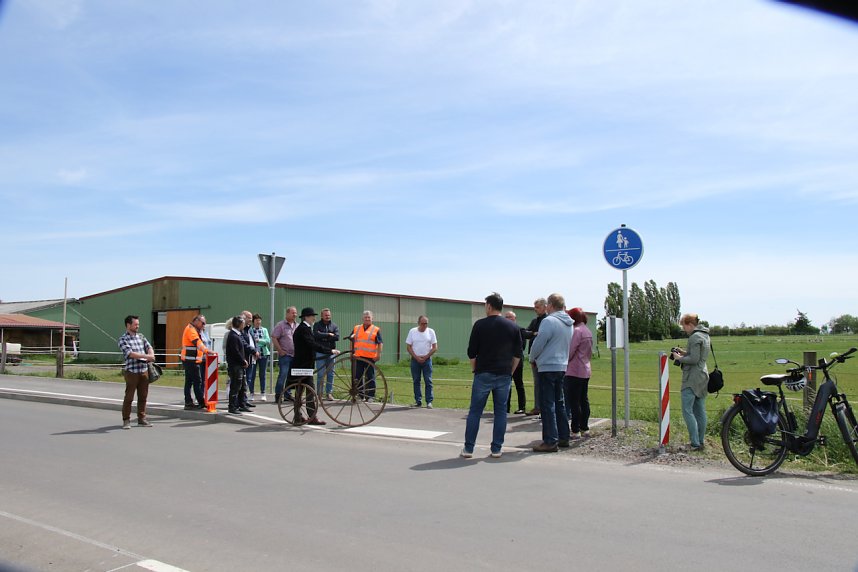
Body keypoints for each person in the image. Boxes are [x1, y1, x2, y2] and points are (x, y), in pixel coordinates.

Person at [462, 292, 523, 459]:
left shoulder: (480, 325)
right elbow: (518, 353)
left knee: (475, 411)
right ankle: (496, 448)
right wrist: (510, 371)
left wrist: (474, 369)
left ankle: (469, 448)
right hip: (503, 373)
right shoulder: (512, 326)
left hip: (483, 372)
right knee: (501, 412)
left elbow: (471, 352)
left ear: (489, 306)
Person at [529, 293, 573, 453]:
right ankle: (563, 436)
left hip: (547, 365)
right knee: (559, 402)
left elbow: (539, 343)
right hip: (561, 365)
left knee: (547, 404)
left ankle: (550, 440)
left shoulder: (549, 321)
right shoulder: (569, 323)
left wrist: (532, 357)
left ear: (551, 305)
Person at [291, 307, 340, 425]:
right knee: (310, 391)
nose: (314, 318)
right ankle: (311, 417)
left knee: (301, 390)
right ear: (307, 317)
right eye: (313, 316)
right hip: (303, 365)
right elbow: (313, 344)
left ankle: (298, 416)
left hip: (302, 364)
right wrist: (330, 351)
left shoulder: (304, 328)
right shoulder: (304, 329)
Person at [671, 313, 711, 451]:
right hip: (703, 376)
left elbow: (693, 360)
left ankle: (694, 442)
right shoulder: (705, 335)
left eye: (684, 326)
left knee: (687, 410)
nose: (684, 329)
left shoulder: (694, 337)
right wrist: (683, 352)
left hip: (691, 378)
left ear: (689, 324)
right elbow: (698, 356)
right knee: (700, 410)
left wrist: (678, 358)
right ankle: (700, 441)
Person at [117, 315, 155, 429]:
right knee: (129, 397)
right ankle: (126, 420)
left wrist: (151, 354)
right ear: (128, 325)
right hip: (132, 372)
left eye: (138, 324)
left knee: (143, 396)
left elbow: (149, 346)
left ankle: (142, 418)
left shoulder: (141, 336)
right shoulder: (123, 339)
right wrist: (147, 356)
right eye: (135, 324)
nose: (137, 326)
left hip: (143, 370)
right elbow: (130, 354)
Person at [565, 307, 593, 439]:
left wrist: (564, 361)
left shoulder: (576, 331)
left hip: (574, 370)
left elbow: (570, 351)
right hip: (585, 368)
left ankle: (575, 429)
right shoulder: (587, 331)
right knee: (584, 399)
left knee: (573, 401)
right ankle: (585, 427)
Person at [181, 314, 214, 410]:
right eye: (203, 323)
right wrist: (208, 351)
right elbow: (198, 343)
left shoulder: (193, 329)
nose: (204, 325)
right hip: (191, 361)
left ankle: (188, 402)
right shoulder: (191, 330)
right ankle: (201, 402)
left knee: (189, 381)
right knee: (197, 381)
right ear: (196, 321)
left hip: (190, 360)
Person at [522, 298, 548, 416]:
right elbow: (525, 333)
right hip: (534, 357)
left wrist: (536, 334)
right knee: (537, 382)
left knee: (545, 383)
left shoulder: (547, 321)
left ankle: (545, 407)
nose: (535, 309)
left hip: (545, 357)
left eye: (537, 307)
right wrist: (533, 333)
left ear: (545, 307)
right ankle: (538, 407)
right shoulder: (535, 321)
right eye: (535, 307)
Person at [349, 311, 383, 401]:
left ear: (372, 318)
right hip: (358, 357)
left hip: (370, 357)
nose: (367, 319)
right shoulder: (356, 328)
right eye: (365, 317)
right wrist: (351, 354)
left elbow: (380, 343)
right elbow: (351, 340)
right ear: (362, 318)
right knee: (358, 377)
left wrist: (378, 355)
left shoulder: (376, 329)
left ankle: (370, 396)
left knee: (370, 377)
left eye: (369, 317)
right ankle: (360, 395)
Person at [406, 315, 438, 408]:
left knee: (428, 380)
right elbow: (408, 346)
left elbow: (435, 347)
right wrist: (416, 357)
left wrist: (426, 357)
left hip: (427, 360)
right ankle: (418, 401)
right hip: (415, 360)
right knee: (416, 380)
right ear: (418, 323)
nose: (424, 325)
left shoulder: (431, 332)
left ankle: (429, 401)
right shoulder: (412, 331)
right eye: (423, 323)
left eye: (426, 324)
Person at [224, 315, 250, 414]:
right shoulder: (233, 336)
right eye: (243, 323)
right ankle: (232, 407)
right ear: (239, 324)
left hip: (239, 365)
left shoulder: (237, 335)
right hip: (235, 366)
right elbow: (235, 352)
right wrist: (243, 361)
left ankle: (241, 405)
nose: (244, 325)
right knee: (235, 386)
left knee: (242, 386)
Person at [272, 306, 298, 403]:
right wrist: (280, 350)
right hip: (285, 355)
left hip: (295, 355)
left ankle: (288, 394)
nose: (295, 315)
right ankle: (278, 395)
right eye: (292, 313)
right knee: (283, 375)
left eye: (295, 313)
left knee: (291, 377)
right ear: (287, 314)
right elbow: (274, 337)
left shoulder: (297, 325)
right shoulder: (281, 325)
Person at [313, 308, 340, 400]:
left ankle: (329, 393)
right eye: (325, 315)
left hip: (331, 353)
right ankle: (319, 393)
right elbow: (316, 335)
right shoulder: (317, 325)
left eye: (328, 315)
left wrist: (323, 336)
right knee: (320, 374)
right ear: (321, 316)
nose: (327, 316)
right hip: (320, 353)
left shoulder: (334, 325)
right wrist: (328, 335)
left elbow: (337, 337)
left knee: (330, 374)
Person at [504, 310, 527, 414]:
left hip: (517, 360)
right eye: (507, 317)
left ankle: (522, 407)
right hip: (506, 360)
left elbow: (522, 347)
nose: (508, 319)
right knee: (506, 385)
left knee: (519, 384)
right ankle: (506, 408)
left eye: (511, 317)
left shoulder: (520, 330)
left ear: (515, 319)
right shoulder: (502, 330)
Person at [248, 313, 271, 401]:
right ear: (253, 321)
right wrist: (257, 342)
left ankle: (263, 393)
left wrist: (259, 340)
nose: (258, 322)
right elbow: (251, 342)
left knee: (263, 374)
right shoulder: (250, 330)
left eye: (259, 320)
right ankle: (251, 393)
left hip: (263, 354)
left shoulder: (264, 330)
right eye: (256, 320)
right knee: (252, 374)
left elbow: (267, 341)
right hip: (253, 354)